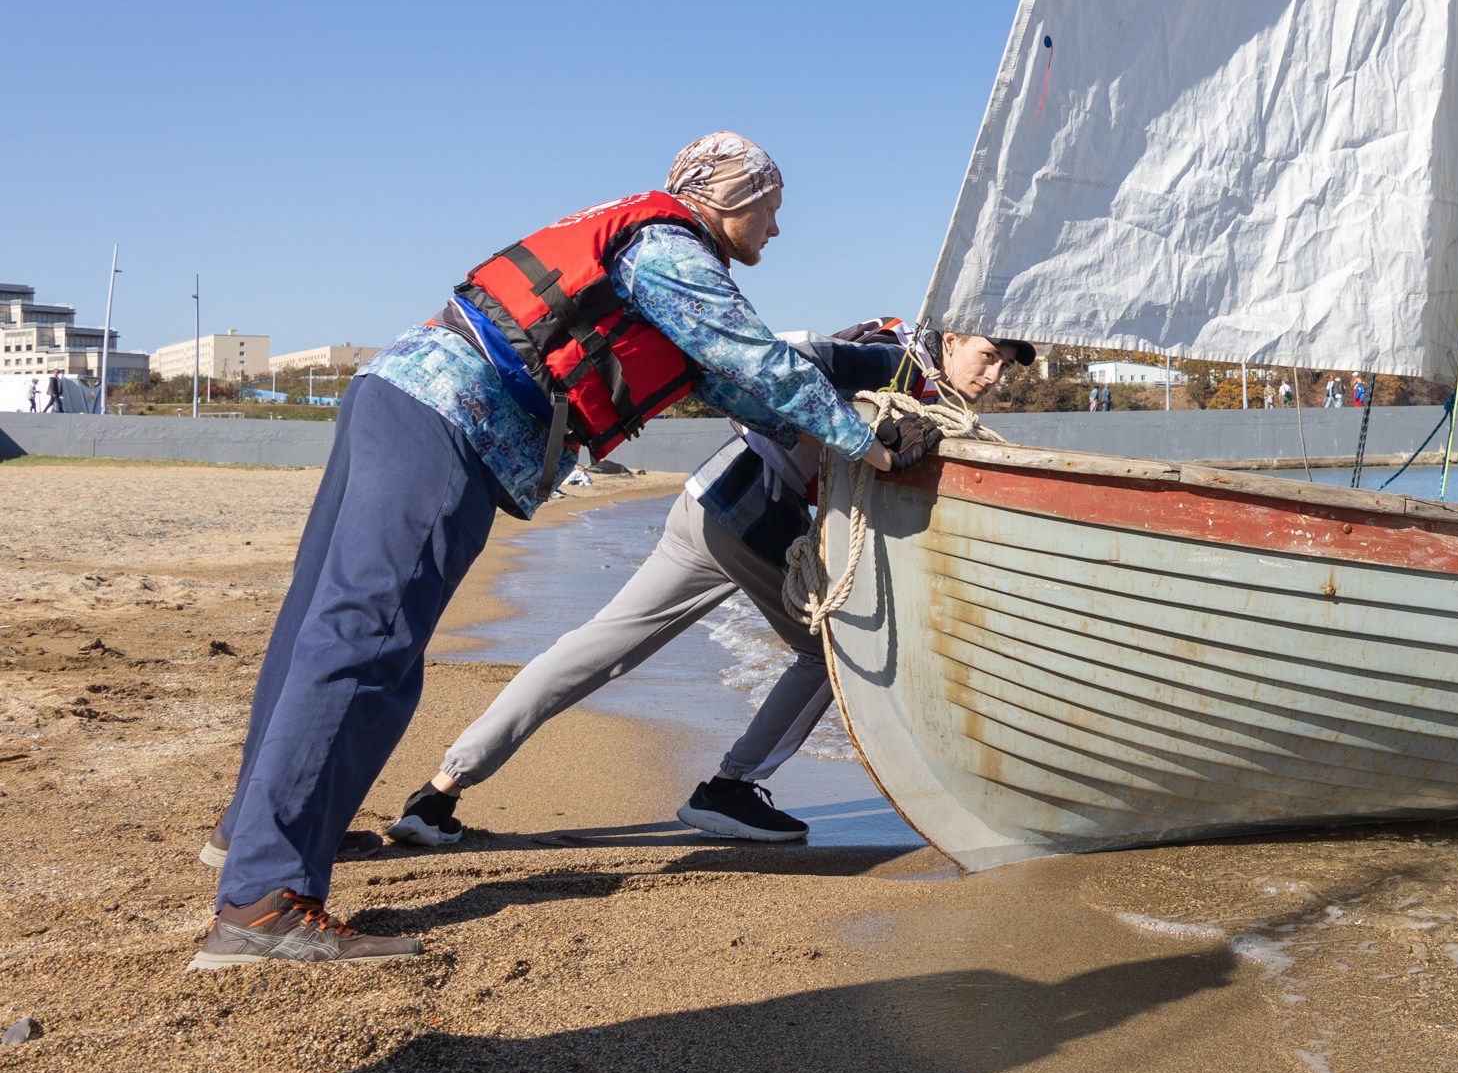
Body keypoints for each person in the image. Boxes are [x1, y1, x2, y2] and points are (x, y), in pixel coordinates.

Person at [191, 133, 931, 971]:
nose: (777, 227)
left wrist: (849, 401)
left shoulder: (646, 253)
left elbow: (736, 386)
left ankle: (255, 834)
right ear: (727, 194)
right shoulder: (670, 248)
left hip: (397, 394)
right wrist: (869, 441)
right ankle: (262, 898)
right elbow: (751, 357)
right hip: (453, 419)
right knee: (366, 647)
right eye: (772, 206)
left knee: (317, 626)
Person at [383, 320, 1030, 850]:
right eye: (988, 355)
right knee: (830, 649)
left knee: (594, 651)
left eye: (1006, 365)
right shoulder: (893, 361)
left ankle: (438, 793)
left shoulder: (918, 383)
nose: (994, 375)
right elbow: (788, 356)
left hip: (707, 498)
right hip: (751, 508)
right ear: (949, 340)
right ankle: (731, 788)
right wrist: (863, 432)